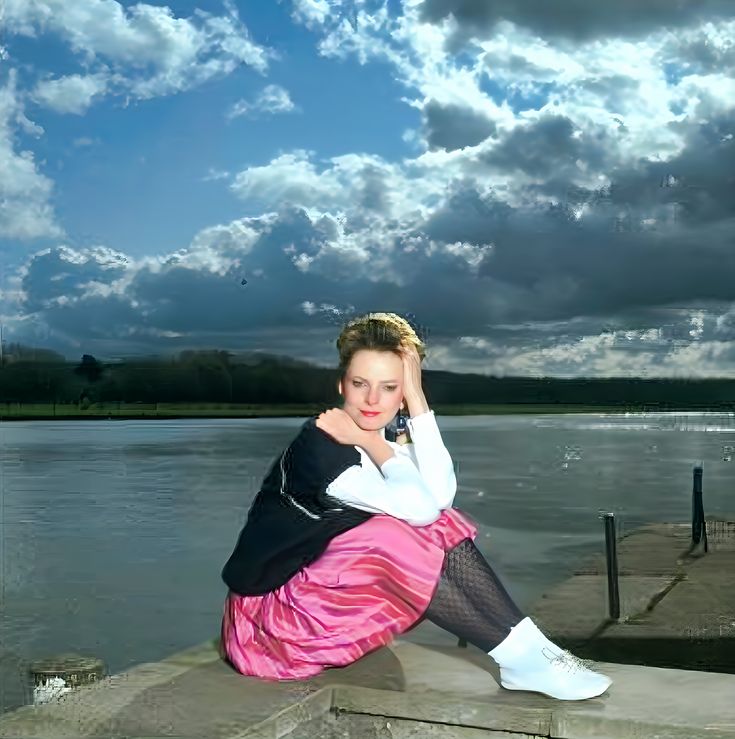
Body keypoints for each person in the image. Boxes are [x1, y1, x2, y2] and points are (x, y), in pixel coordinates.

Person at [220, 312, 612, 701]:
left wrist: (418, 400)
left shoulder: (376, 435)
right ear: (341, 384)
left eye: (390, 387)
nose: (373, 400)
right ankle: (518, 659)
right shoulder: (322, 449)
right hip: (271, 630)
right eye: (360, 384)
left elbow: (440, 500)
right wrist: (372, 442)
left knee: (436, 521)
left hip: (316, 602)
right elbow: (419, 511)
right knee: (388, 535)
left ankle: (536, 651)